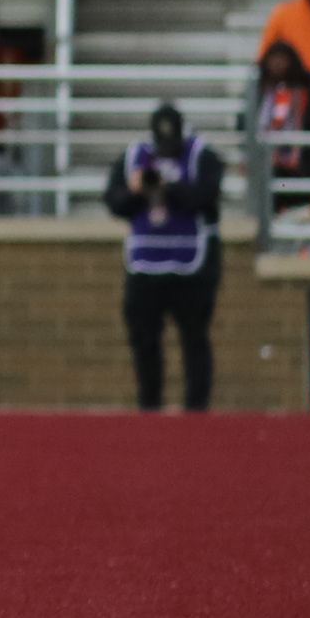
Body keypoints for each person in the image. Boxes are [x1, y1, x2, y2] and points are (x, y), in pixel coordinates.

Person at [104, 99, 222, 412]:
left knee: (194, 339)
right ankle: (149, 406)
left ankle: (197, 410)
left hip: (191, 269)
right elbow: (114, 202)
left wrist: (169, 187)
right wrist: (136, 190)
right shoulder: (134, 158)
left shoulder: (201, 156)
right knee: (144, 341)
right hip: (145, 267)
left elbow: (207, 197)